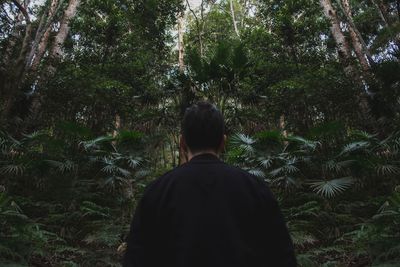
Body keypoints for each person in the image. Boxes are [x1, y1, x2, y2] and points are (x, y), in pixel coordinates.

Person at [123, 101, 297, 267]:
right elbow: (283, 257)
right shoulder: (256, 189)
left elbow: (136, 259)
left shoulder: (157, 191)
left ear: (182, 143)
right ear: (223, 142)